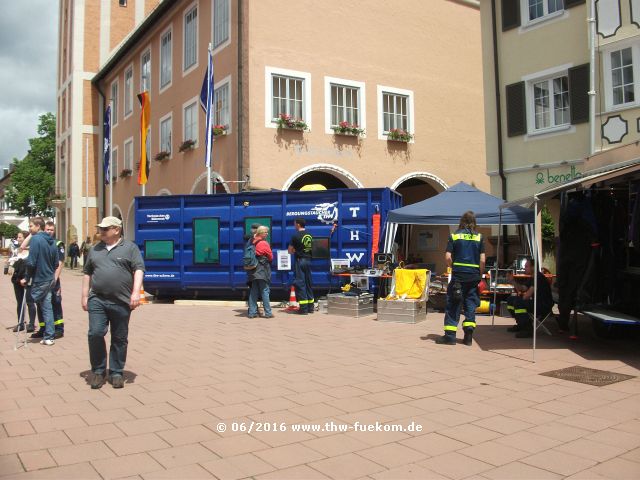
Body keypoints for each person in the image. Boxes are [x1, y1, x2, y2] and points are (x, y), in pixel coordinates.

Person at [82, 216, 145, 389]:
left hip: (122, 301)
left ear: (116, 230)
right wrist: (84, 296)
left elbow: (139, 269)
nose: (101, 231)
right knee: (95, 333)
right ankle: (98, 371)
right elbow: (87, 273)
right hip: (97, 299)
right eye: (100, 228)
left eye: (105, 228)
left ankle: (116, 372)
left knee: (119, 337)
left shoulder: (130, 248)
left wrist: (136, 293)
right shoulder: (95, 249)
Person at [436, 211, 485, 346]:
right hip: (473, 277)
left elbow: (447, 257)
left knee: (453, 304)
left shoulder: (454, 236)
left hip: (458, 277)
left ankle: (450, 337)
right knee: (470, 305)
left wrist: (454, 267)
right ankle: (468, 335)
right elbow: (482, 260)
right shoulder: (479, 237)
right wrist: (479, 275)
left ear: (462, 222)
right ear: (474, 223)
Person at [21, 217, 58, 346]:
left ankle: (46, 333)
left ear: (38, 226)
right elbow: (56, 262)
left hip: (40, 278)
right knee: (47, 307)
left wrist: (26, 277)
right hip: (49, 278)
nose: (29, 229)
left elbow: (31, 261)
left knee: (36, 303)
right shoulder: (52, 241)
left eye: (31, 226)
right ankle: (49, 335)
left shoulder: (36, 239)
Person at [506, 257, 554, 338]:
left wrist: (521, 298)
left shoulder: (538, 277)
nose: (524, 268)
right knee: (510, 300)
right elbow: (522, 288)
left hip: (543, 305)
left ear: (533, 267)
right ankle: (521, 324)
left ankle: (527, 329)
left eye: (526, 266)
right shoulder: (532, 277)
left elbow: (527, 295)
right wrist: (512, 281)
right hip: (536, 302)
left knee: (518, 303)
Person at [10, 231, 37, 333]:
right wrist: (10, 266)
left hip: (27, 279)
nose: (18, 239)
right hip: (17, 279)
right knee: (20, 302)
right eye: (18, 237)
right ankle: (20, 323)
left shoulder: (31, 251)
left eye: (20, 237)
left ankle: (31, 324)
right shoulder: (17, 251)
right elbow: (12, 263)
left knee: (30, 301)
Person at [288, 217, 314, 314]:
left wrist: (296, 250)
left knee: (300, 283)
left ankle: (303, 309)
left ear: (298, 224)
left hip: (300, 261)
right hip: (308, 260)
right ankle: (311, 307)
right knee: (308, 283)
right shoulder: (310, 235)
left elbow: (289, 251)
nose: (294, 225)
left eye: (295, 224)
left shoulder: (295, 236)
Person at [248, 226, 274, 318]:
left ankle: (252, 312)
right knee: (265, 290)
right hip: (262, 269)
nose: (267, 234)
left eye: (267, 232)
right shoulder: (263, 243)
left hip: (254, 269)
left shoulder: (253, 241)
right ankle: (268, 313)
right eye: (265, 232)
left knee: (254, 291)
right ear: (260, 233)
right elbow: (271, 256)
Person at [45, 221, 65, 339]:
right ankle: (44, 327)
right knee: (42, 304)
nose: (49, 232)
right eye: (47, 229)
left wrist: (55, 278)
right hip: (43, 278)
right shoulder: (42, 242)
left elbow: (60, 262)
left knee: (56, 302)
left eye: (51, 230)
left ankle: (59, 328)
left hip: (53, 278)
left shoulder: (58, 244)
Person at [244, 223, 260, 313]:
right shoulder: (255, 240)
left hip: (250, 268)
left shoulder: (249, 240)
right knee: (256, 288)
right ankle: (253, 309)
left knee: (252, 288)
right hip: (256, 268)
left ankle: (253, 308)